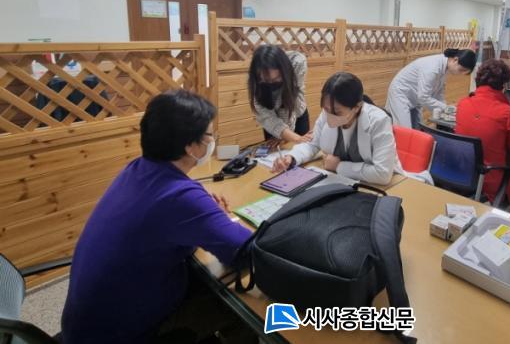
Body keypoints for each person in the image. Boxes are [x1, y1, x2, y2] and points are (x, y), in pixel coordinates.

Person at [62, 90, 253, 344]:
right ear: (190, 146)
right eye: (209, 135)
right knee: (242, 308)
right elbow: (245, 251)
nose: (212, 141)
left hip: (83, 327)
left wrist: (206, 219)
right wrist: (220, 220)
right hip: (121, 335)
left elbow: (166, 225)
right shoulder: (181, 197)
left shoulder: (136, 168)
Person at [272, 72, 401, 185]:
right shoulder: (329, 111)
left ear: (357, 107)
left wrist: (339, 166)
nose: (330, 116)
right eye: (326, 109)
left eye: (337, 112)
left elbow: (383, 173)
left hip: (381, 185)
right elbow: (312, 144)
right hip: (342, 181)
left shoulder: (379, 121)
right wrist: (291, 158)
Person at [456, 59, 510, 203]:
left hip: (461, 172)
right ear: (504, 85)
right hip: (489, 178)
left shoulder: (463, 103)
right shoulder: (505, 112)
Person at [385, 48, 477, 128]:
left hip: (414, 97)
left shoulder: (444, 68)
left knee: (417, 128)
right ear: (455, 60)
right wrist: (445, 108)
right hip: (400, 94)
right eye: (461, 70)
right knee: (404, 130)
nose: (460, 74)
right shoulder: (432, 68)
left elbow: (439, 93)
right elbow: (423, 97)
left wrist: (446, 110)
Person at [248, 44, 311, 143]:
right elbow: (265, 115)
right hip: (272, 120)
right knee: (275, 151)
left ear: (284, 70)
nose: (271, 83)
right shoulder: (255, 80)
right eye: (266, 80)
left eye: (276, 79)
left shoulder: (297, 64)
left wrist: (289, 136)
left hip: (296, 110)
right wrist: (282, 133)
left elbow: (291, 100)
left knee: (302, 148)